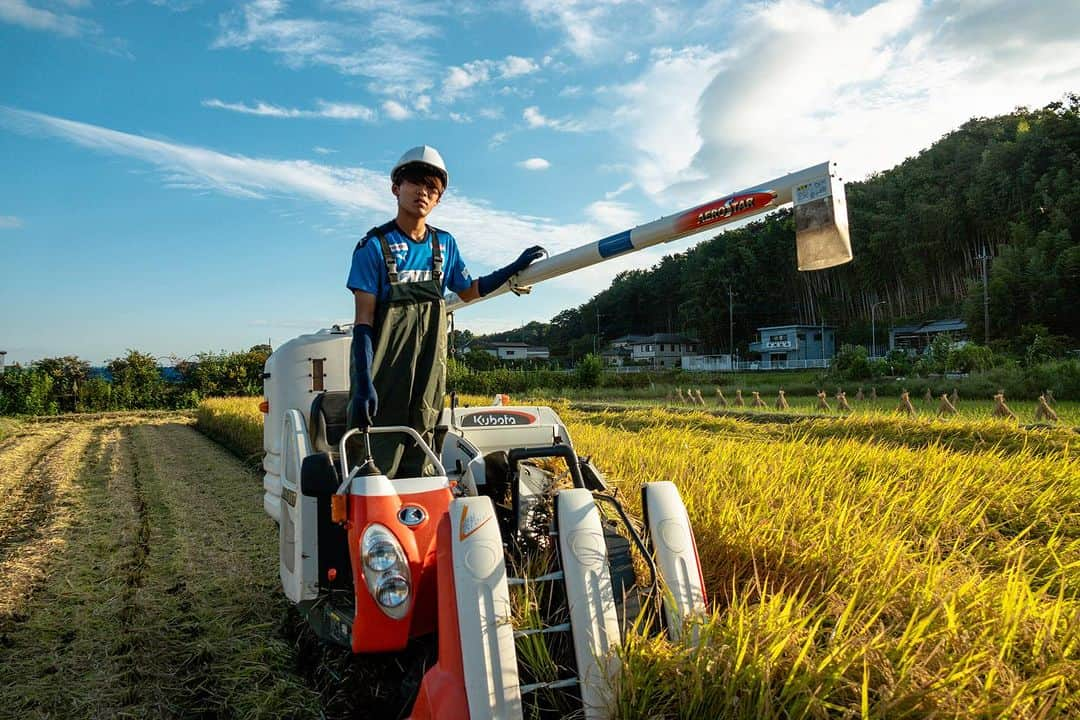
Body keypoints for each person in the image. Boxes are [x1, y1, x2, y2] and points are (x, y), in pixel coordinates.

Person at [346, 145, 544, 477]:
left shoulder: (445, 245)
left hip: (429, 373)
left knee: (423, 441)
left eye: (432, 188)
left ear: (438, 199)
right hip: (384, 374)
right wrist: (363, 381)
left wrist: (513, 268)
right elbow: (363, 321)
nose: (422, 192)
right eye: (415, 183)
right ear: (396, 188)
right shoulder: (373, 247)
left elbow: (469, 291)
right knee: (377, 455)